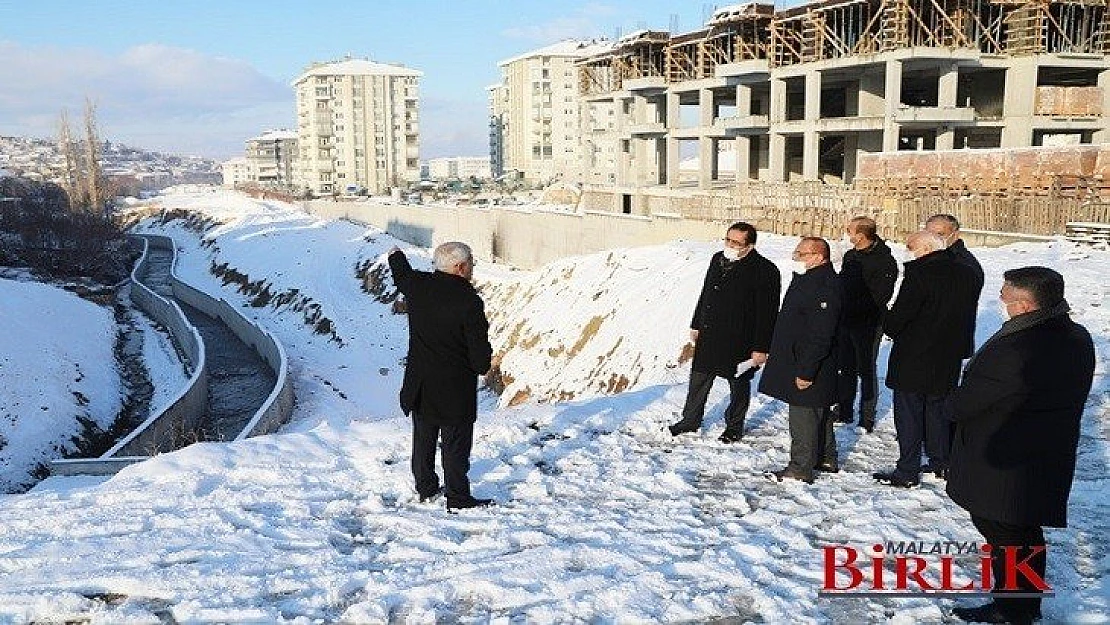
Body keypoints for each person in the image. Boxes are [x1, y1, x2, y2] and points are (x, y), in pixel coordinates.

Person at [948, 267, 1094, 625]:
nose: (1000, 301)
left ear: (1026, 306)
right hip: (1044, 452)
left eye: (1005, 296)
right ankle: (1021, 605)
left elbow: (964, 405)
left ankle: (1013, 609)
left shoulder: (1015, 349)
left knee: (1006, 532)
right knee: (1023, 532)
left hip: (1006, 460)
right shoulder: (1076, 335)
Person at [388, 243, 494, 510]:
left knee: (423, 439)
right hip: (454, 388)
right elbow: (479, 357)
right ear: (460, 268)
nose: (472, 268)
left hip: (421, 383)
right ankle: (458, 497)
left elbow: (401, 275)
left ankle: (426, 488)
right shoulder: (469, 301)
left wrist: (395, 255)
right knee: (455, 445)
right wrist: (482, 363)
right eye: (471, 263)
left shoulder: (419, 285)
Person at [873, 231, 978, 487]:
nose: (910, 252)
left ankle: (907, 470)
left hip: (915, 355)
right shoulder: (966, 272)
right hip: (948, 355)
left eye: (912, 248)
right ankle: (941, 462)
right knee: (939, 409)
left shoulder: (919, 274)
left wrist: (887, 319)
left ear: (927, 249)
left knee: (909, 412)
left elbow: (902, 316)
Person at [669, 222, 780, 443]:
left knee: (738, 385)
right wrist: (697, 323)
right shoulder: (717, 259)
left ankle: (734, 426)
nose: (730, 245)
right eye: (728, 240)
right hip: (710, 333)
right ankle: (690, 420)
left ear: (750, 245)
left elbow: (767, 313)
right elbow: (706, 293)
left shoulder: (765, 270)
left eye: (736, 242)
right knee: (699, 379)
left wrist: (761, 348)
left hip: (739, 339)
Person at [758, 237, 841, 483]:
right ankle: (826, 457)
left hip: (809, 362)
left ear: (819, 255)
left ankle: (800, 467)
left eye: (802, 252)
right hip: (803, 358)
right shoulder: (813, 280)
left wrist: (807, 371)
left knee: (804, 415)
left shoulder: (824, 285)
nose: (796, 255)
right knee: (819, 411)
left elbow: (821, 333)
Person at [833, 216, 898, 432]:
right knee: (845, 367)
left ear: (860, 235)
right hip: (846, 320)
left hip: (868, 323)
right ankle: (844, 409)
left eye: (850, 230)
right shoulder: (851, 256)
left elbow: (880, 296)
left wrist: (852, 304)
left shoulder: (884, 261)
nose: (847, 234)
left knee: (866, 368)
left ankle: (867, 416)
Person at [925, 214, 984, 358]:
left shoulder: (963, 264)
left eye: (940, 234)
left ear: (955, 234)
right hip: (928, 339)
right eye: (929, 234)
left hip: (948, 340)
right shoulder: (933, 257)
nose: (934, 239)